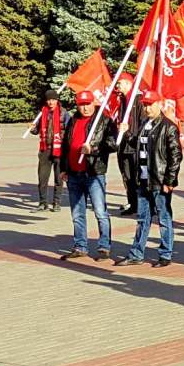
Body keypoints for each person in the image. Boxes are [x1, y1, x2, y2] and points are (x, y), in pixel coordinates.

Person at [117, 90, 182, 267]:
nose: (147, 108)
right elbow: (137, 145)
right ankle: (136, 253)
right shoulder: (144, 124)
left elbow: (175, 156)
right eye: (145, 104)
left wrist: (170, 180)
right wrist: (126, 133)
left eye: (150, 104)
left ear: (159, 104)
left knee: (163, 217)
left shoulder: (168, 127)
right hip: (143, 179)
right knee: (142, 219)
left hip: (159, 181)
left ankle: (165, 254)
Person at [58, 91, 117, 260]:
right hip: (73, 173)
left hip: (94, 173)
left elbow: (113, 144)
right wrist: (63, 168)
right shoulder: (73, 120)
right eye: (81, 104)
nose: (85, 107)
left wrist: (94, 149)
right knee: (77, 213)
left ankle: (104, 246)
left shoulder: (103, 120)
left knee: (100, 211)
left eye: (87, 103)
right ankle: (80, 246)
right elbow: (65, 146)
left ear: (93, 102)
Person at [32, 89, 70, 212]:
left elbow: (70, 131)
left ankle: (56, 203)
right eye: (48, 99)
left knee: (58, 178)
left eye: (53, 99)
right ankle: (42, 203)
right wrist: (32, 128)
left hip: (59, 150)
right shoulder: (42, 113)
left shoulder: (64, 113)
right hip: (45, 149)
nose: (50, 102)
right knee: (42, 178)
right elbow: (36, 130)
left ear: (57, 100)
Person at [114, 73, 143, 216]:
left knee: (137, 177)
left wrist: (131, 135)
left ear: (128, 84)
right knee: (127, 177)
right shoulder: (122, 101)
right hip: (123, 147)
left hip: (134, 146)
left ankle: (144, 205)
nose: (117, 86)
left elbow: (142, 124)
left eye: (119, 83)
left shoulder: (138, 101)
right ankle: (133, 204)